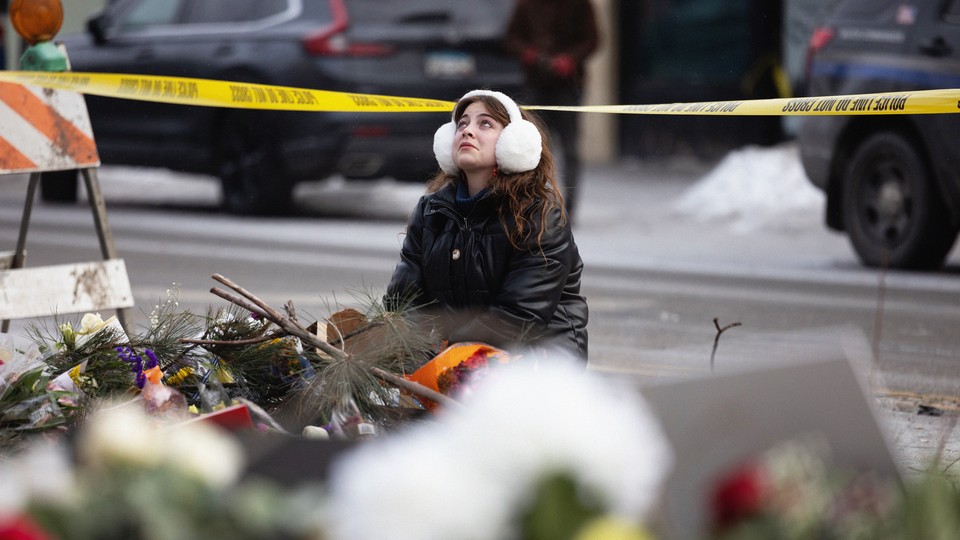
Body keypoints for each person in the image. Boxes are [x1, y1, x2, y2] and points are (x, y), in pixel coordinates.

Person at [385, 90, 589, 361]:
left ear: (512, 142)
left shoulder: (539, 215)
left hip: (538, 357)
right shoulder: (430, 210)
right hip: (453, 354)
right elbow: (404, 300)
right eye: (462, 124)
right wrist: (413, 350)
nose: (467, 131)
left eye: (485, 123)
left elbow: (518, 316)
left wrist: (446, 354)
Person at [504, 0, 599, 220]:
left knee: (570, 147)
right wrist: (529, 54)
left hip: (568, 86)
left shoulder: (579, 5)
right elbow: (510, 39)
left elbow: (592, 39)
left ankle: (569, 209)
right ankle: (535, 204)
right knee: (534, 147)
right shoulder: (526, 5)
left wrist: (570, 59)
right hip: (535, 85)